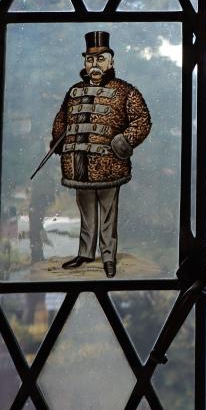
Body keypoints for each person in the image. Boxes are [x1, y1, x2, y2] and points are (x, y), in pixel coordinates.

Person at [52, 31, 151, 277]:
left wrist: (125, 141)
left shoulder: (126, 91)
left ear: (111, 62)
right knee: (85, 210)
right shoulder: (74, 92)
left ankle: (108, 257)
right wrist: (58, 139)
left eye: (100, 60)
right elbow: (62, 118)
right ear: (85, 62)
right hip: (78, 164)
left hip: (109, 164)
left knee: (108, 213)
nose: (94, 65)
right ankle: (85, 253)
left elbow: (142, 120)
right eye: (90, 60)